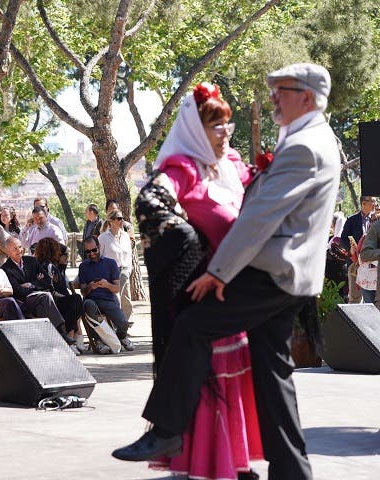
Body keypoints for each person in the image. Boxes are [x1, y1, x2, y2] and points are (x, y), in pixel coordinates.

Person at [113, 64, 340, 480]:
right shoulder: (309, 140)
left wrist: (215, 273)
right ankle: (292, 472)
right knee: (273, 375)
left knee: (193, 327)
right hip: (284, 276)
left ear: (305, 97)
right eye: (215, 123)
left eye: (281, 90)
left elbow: (257, 221)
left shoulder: (304, 145)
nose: (273, 97)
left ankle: (165, 430)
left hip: (269, 273)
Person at [128, 82, 260, 480]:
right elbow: (151, 201)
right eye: (214, 126)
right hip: (205, 293)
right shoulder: (182, 169)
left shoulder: (234, 165)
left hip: (241, 294)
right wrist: (192, 244)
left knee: (232, 379)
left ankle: (232, 463)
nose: (224, 134)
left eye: (227, 126)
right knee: (208, 379)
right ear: (193, 131)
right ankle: (203, 465)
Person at [1, 236, 76, 345]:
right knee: (46, 296)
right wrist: (37, 284)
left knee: (45, 304)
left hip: (39, 299)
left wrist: (31, 284)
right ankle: (61, 334)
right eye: (15, 249)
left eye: (20, 247)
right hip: (24, 301)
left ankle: (53, 340)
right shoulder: (6, 269)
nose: (19, 250)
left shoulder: (31, 261)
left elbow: (46, 281)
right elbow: (18, 291)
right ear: (8, 251)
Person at [78, 236, 134, 354]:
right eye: (88, 252)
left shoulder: (111, 263)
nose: (91, 254)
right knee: (88, 305)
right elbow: (83, 292)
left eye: (94, 250)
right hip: (91, 300)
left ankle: (119, 337)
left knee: (123, 324)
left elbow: (117, 288)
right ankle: (98, 341)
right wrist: (90, 287)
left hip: (108, 299)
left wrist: (107, 285)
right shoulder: (83, 266)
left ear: (99, 247)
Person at [34, 237, 84, 354]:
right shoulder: (48, 266)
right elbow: (50, 289)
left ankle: (72, 336)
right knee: (75, 300)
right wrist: (64, 297)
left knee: (75, 302)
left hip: (50, 300)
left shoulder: (44, 264)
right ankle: (71, 338)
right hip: (51, 302)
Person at [98, 209, 134, 322]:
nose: (122, 220)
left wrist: (129, 268)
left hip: (125, 270)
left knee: (126, 299)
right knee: (116, 297)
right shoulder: (103, 238)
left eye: (122, 218)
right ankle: (117, 323)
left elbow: (129, 253)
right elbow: (99, 256)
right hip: (110, 273)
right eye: (119, 218)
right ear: (111, 221)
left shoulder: (125, 236)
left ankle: (124, 324)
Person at [340, 196, 376, 303]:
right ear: (364, 203)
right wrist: (350, 250)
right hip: (355, 264)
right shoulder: (351, 220)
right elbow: (343, 239)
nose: (375, 203)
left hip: (373, 265)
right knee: (355, 299)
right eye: (373, 201)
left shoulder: (376, 220)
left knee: (373, 299)